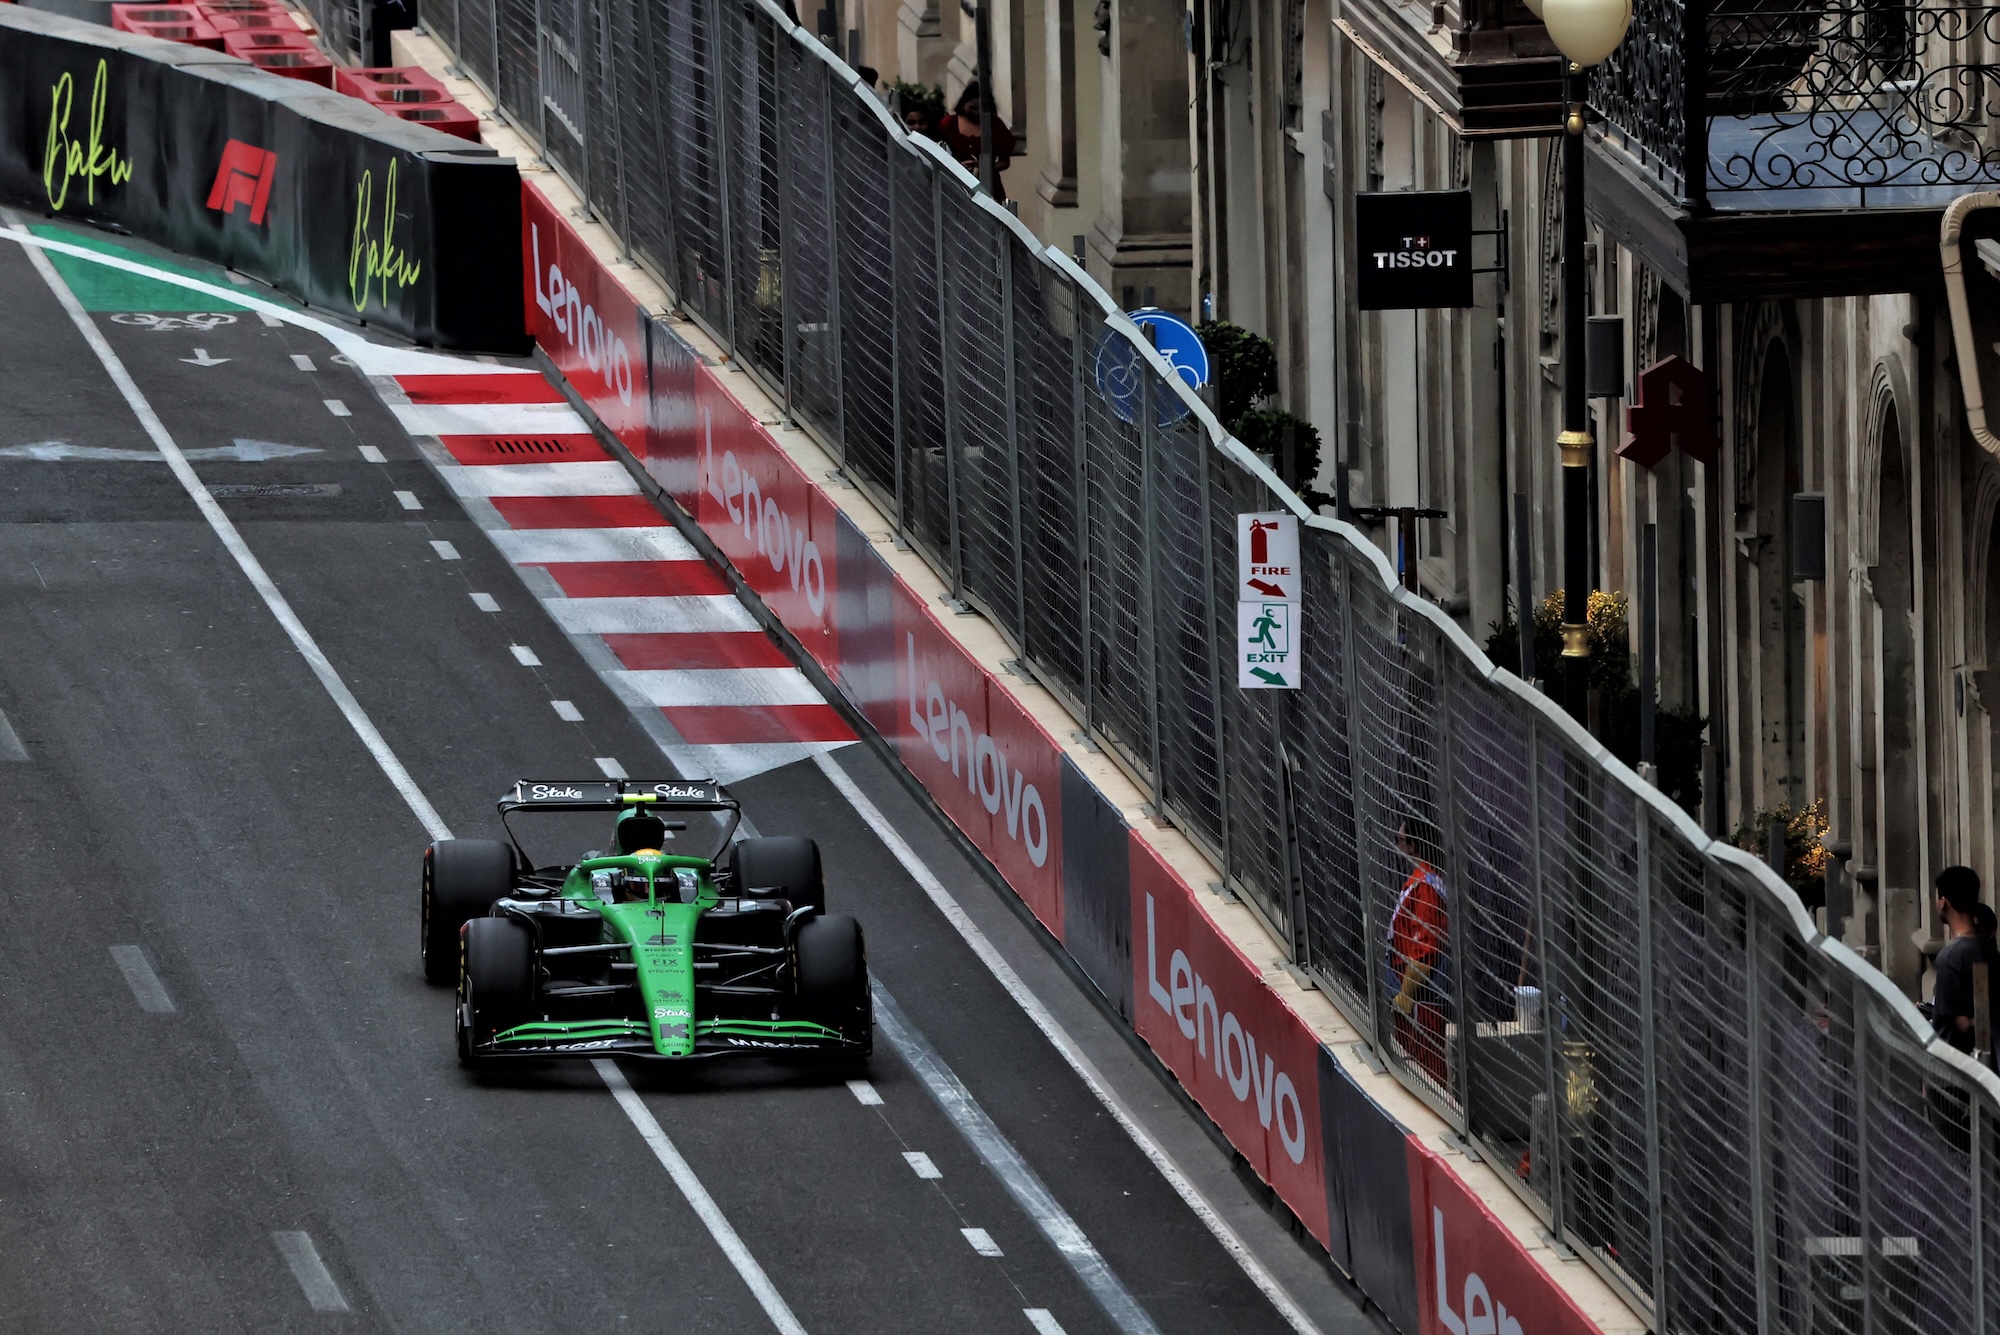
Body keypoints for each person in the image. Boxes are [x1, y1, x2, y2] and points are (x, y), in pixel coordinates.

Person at [1387, 815, 1450, 1086]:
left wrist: (1405, 997)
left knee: (1426, 1075)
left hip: (1419, 1003)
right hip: (1414, 999)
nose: (1396, 845)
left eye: (1399, 840)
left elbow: (1424, 951)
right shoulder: (1418, 882)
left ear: (1413, 846)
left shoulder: (1425, 887)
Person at [1931, 865, 2000, 1064]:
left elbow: (1959, 1023)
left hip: (1952, 1070)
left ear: (1944, 902)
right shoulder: (1988, 947)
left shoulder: (1950, 958)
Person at [935, 81, 1016, 200]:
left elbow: (1004, 162)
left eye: (981, 109)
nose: (976, 113)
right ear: (963, 104)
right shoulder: (948, 124)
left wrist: (982, 166)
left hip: (989, 188)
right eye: (972, 108)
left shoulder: (995, 125)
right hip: (955, 185)